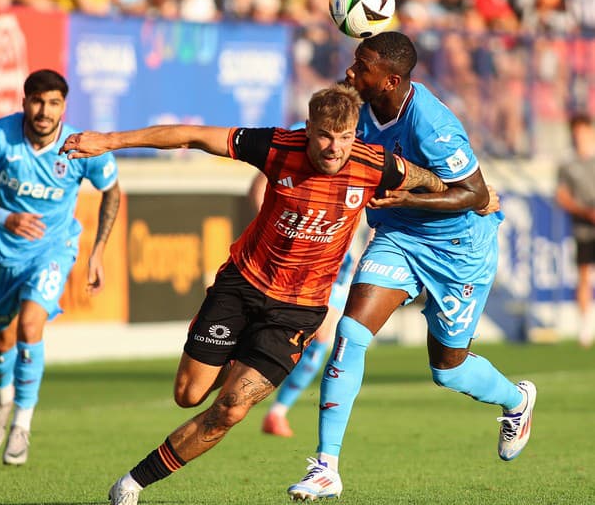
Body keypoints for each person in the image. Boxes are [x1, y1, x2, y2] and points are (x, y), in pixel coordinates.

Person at [59, 83, 449, 505]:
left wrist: (475, 198)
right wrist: (109, 141)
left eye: (345, 137)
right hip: (242, 286)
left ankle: (131, 485)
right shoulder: (276, 146)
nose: (334, 148)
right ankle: (235, 354)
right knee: (188, 395)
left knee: (230, 408)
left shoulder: (375, 164)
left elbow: (433, 180)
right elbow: (191, 136)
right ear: (308, 128)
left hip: (298, 312)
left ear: (355, 133)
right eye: (324, 135)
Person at [287, 31, 535, 502]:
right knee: (351, 334)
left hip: (459, 249)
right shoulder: (359, 111)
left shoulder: (432, 123)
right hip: (398, 238)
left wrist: (410, 196)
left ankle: (517, 401)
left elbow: (476, 195)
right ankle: (326, 466)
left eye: (362, 66)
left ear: (390, 80)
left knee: (447, 370)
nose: (350, 71)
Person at [0, 69, 121, 466]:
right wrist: (3, 216)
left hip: (53, 250)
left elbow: (111, 191)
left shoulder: (78, 146)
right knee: (2, 339)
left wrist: (97, 252)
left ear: (64, 105)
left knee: (30, 325)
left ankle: (23, 424)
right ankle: (3, 399)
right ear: (25, 101)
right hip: (0, 252)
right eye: (37, 101)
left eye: (54, 103)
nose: (45, 111)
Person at [248, 158, 359, 437]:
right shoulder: (304, 137)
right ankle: (257, 394)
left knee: (322, 338)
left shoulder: (362, 141)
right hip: (303, 251)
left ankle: (277, 412)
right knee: (313, 334)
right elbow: (258, 185)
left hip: (339, 257)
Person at [555, 112, 595, 348]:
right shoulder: (568, 164)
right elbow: (561, 196)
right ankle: (585, 327)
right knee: (583, 275)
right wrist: (584, 211)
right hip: (583, 226)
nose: (578, 137)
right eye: (575, 133)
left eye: (582, 132)